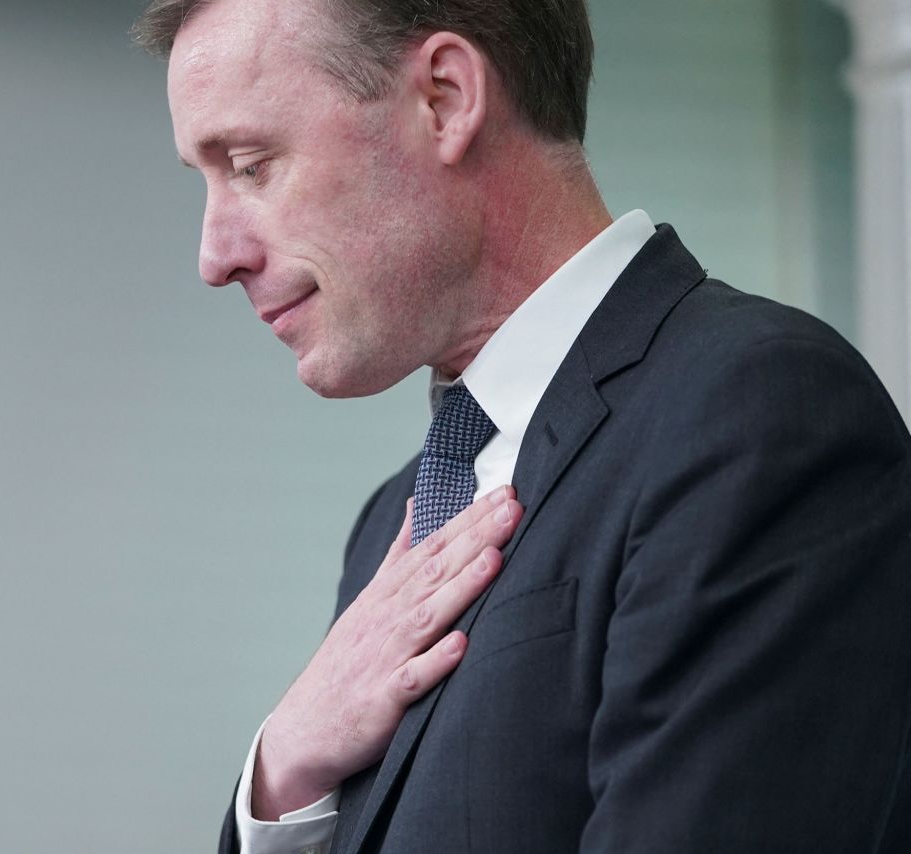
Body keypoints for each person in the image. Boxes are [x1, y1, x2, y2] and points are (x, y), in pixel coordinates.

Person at [134, 0, 911, 851]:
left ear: (445, 98)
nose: (215, 257)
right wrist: (285, 776)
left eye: (250, 164)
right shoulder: (391, 529)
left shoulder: (762, 415)